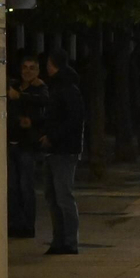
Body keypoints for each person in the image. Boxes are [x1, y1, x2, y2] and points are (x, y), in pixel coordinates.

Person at [39, 48, 85, 255]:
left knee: (63, 196)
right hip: (55, 149)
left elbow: (73, 120)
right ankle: (60, 240)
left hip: (64, 150)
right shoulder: (59, 87)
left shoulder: (66, 89)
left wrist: (53, 136)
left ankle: (68, 241)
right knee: (53, 195)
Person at [6, 55, 49, 237]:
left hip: (27, 144)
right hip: (12, 142)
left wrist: (31, 121)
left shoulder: (40, 89)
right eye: (25, 67)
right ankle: (14, 224)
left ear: (38, 71)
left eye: (32, 68)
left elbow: (44, 104)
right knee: (12, 186)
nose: (28, 71)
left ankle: (27, 225)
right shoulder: (15, 87)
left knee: (26, 186)